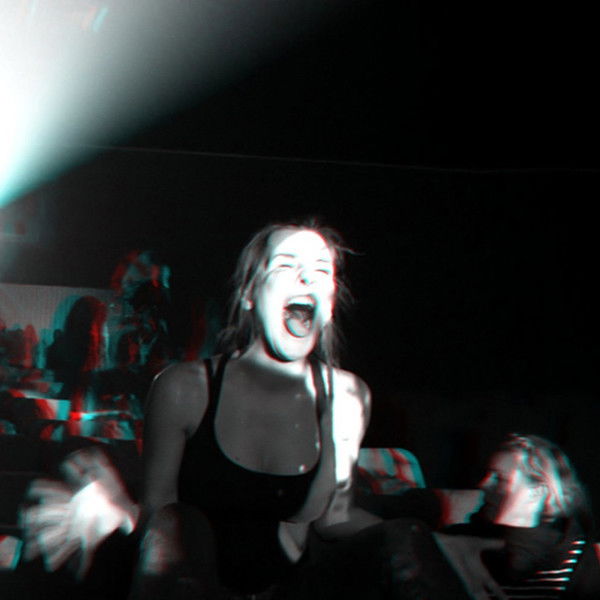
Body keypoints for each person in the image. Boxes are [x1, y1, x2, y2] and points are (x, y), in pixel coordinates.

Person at [21, 219, 484, 599]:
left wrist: (432, 545)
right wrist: (119, 513)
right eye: (287, 265)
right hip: (194, 582)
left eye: (322, 270)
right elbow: (162, 516)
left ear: (329, 303)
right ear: (249, 294)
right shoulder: (185, 388)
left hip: (291, 587)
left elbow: (335, 519)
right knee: (182, 523)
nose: (307, 278)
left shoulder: (346, 396)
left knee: (404, 534)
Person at [445, 433, 600, 599]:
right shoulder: (455, 542)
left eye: (499, 478)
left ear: (537, 493)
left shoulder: (576, 555)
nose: (483, 485)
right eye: (487, 475)